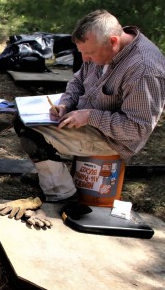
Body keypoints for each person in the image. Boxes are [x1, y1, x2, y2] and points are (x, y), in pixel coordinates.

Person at [14, 10, 165, 203]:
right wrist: (66, 104)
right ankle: (52, 177)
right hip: (90, 120)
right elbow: (78, 82)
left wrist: (89, 116)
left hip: (114, 139)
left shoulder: (144, 70)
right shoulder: (102, 48)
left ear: (112, 41)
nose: (84, 59)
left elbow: (136, 129)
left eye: (89, 53)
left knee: (33, 135)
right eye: (82, 52)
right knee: (22, 119)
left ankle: (63, 195)